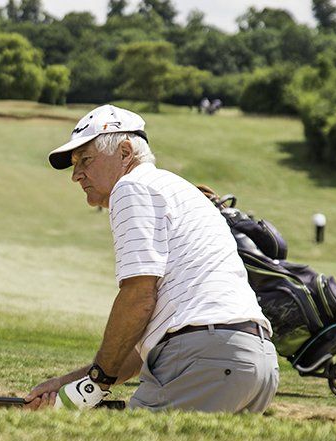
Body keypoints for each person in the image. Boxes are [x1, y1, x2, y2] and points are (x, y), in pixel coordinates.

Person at [25, 104, 279, 413]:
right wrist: (74, 380)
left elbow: (138, 297)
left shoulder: (131, 187)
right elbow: (140, 346)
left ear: (125, 151)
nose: (76, 175)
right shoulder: (176, 188)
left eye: (86, 160)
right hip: (254, 363)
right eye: (75, 164)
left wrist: (97, 383)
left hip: (204, 360)